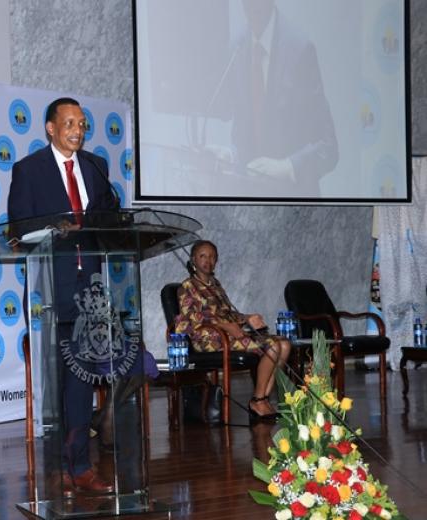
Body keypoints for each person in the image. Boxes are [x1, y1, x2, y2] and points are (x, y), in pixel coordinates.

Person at [7, 97, 119, 495]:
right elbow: (18, 228)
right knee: (55, 384)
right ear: (51, 128)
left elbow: (108, 217)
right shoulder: (29, 170)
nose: (78, 130)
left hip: (90, 291)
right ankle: (57, 469)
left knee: (82, 383)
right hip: (50, 289)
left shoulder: (95, 166)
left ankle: (82, 467)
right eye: (70, 123)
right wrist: (58, 227)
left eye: (83, 124)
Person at [210, 0, 338, 197]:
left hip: (293, 202)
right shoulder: (237, 47)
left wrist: (287, 167)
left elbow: (328, 148)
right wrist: (231, 156)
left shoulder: (300, 49)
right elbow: (244, 137)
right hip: (252, 203)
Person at [174, 240, 291, 418]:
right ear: (193, 260)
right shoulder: (187, 286)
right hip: (207, 338)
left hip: (228, 335)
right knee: (272, 345)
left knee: (284, 344)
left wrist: (247, 318)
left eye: (212, 257)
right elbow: (191, 319)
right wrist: (224, 326)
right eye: (203, 256)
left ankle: (262, 398)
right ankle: (258, 400)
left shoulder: (215, 285)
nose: (208, 260)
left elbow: (228, 313)